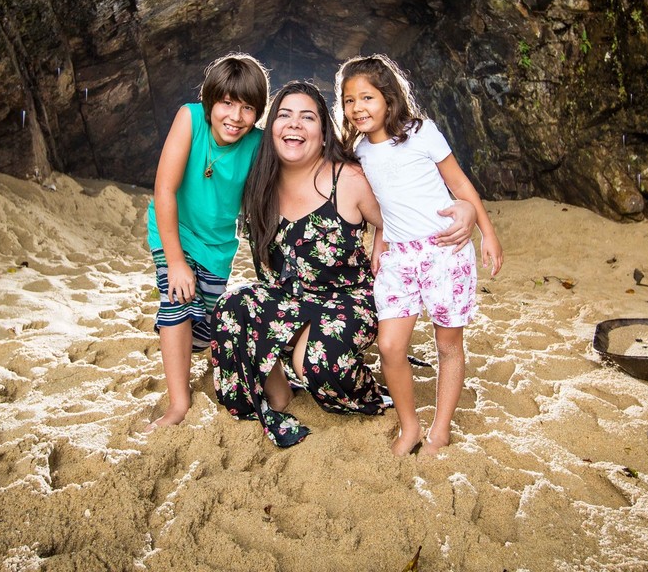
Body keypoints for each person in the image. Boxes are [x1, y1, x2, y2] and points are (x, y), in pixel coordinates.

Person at [211, 81, 475, 447]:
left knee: (316, 364)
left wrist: (464, 207)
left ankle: (362, 386)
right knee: (232, 306)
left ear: (323, 133)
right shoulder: (261, 182)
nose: (294, 124)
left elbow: (403, 216)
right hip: (292, 296)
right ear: (271, 127)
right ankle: (280, 393)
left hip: (351, 299)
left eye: (307, 117)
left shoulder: (348, 178)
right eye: (284, 115)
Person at [335, 54, 503, 456]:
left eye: (367, 98)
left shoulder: (420, 132)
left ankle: (440, 430)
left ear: (389, 99)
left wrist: (488, 234)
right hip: (398, 259)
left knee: (447, 344)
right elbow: (380, 203)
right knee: (390, 346)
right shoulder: (358, 152)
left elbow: (460, 185)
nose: (358, 108)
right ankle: (410, 427)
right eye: (348, 100)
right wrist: (379, 237)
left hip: (445, 250)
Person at [145, 53, 270, 431]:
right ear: (210, 101)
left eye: (247, 108)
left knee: (201, 331)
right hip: (174, 231)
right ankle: (178, 404)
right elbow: (164, 190)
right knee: (176, 299)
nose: (235, 116)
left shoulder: (259, 144)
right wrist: (176, 260)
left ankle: (190, 351)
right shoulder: (190, 118)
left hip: (218, 247)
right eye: (227, 103)